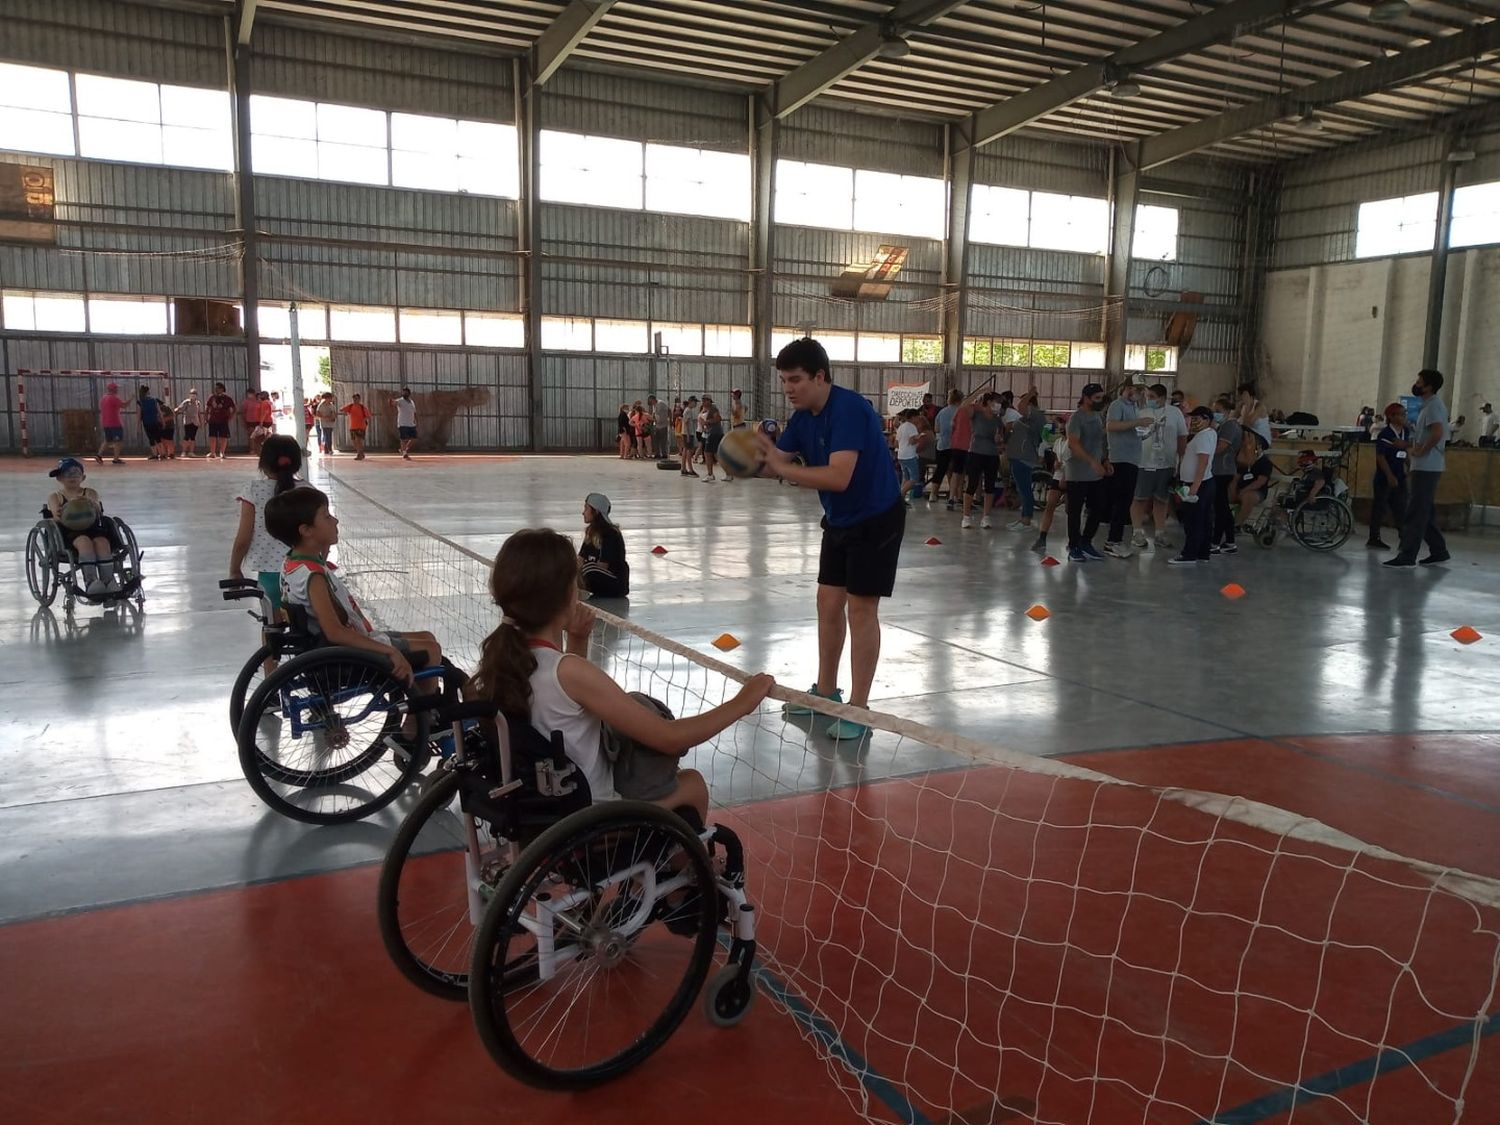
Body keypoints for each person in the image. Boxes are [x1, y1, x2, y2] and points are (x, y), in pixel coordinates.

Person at [471, 528, 773, 822]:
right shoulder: (569, 672)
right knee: (692, 783)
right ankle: (678, 870)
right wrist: (742, 703)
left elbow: (562, 705)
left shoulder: (506, 660)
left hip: (540, 813)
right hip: (593, 817)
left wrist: (577, 640)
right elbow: (669, 739)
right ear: (568, 595)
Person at [757, 337, 904, 742]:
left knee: (860, 610)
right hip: (839, 520)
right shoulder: (803, 418)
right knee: (827, 603)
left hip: (877, 519)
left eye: (796, 380)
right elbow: (778, 465)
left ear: (820, 376)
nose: (788, 389)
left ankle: (859, 708)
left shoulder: (851, 410)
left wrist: (781, 469)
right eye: (784, 381)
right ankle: (825, 691)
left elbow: (838, 476)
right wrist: (753, 457)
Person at [264, 485, 441, 683]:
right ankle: (420, 712)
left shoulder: (292, 563)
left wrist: (324, 543)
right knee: (431, 649)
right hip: (347, 651)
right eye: (327, 517)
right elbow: (334, 632)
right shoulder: (314, 578)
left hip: (330, 644)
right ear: (306, 530)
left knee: (427, 636)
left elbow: (320, 558)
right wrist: (389, 651)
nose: (335, 520)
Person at [230, 435, 302, 642]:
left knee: (272, 629)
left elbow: (243, 538)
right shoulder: (307, 491)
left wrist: (235, 569)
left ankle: (272, 674)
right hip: (303, 572)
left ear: (263, 463)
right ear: (296, 461)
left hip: (270, 575)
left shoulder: (253, 491)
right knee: (307, 625)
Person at [1385, 368, 1451, 568]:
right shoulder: (1428, 406)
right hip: (1424, 465)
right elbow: (1425, 435)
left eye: (1420, 381)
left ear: (1429, 386)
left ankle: (1407, 556)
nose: (1416, 384)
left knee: (1415, 511)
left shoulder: (1433, 407)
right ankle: (1439, 551)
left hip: (1427, 467)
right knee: (1426, 510)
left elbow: (1437, 432)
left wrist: (1422, 451)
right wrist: (1409, 446)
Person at [45, 457, 121, 595]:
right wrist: (69, 508)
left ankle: (108, 580)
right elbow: (56, 517)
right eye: (66, 474)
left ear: (83, 477)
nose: (71, 477)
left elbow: (98, 510)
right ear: (59, 478)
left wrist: (89, 503)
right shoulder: (55, 496)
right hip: (68, 531)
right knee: (84, 542)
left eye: (75, 473)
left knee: (102, 542)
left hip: (92, 528)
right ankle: (91, 581)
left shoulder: (90, 493)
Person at [1131, 382, 1188, 550]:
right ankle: (1137, 532)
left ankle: (1159, 533)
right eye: (1148, 397)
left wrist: (1181, 459)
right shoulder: (1141, 412)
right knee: (1139, 498)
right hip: (1143, 462)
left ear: (1162, 398)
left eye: (1152, 397)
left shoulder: (1175, 413)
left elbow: (1182, 436)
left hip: (1167, 463)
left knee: (1162, 499)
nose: (1149, 400)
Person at [1064, 382, 1110, 562]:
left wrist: (1105, 460)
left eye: (1101, 398)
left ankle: (1086, 542)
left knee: (1098, 507)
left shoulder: (1098, 416)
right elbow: (1073, 444)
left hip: (1096, 472)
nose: (1100, 401)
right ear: (1086, 398)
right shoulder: (1076, 418)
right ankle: (1074, 546)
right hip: (1077, 472)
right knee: (1075, 511)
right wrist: (1092, 462)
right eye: (1096, 398)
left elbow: (1100, 442)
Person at [1170, 407, 1218, 566]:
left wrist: (1195, 487)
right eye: (1193, 419)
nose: (1195, 422)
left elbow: (1202, 462)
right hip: (1204, 483)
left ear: (1207, 420)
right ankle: (1202, 552)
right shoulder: (1207, 434)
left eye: (1198, 419)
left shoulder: (1204, 437)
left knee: (1193, 521)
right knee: (1204, 520)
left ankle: (1189, 554)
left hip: (1198, 484)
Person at [1102, 381, 1143, 557]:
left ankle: (1117, 539)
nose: (1139, 394)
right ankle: (1112, 541)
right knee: (1120, 502)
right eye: (1136, 389)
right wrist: (1137, 422)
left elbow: (1131, 429)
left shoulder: (1133, 407)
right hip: (1120, 459)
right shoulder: (1117, 405)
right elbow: (1111, 426)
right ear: (1127, 389)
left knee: (1126, 501)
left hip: (1132, 459)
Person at [1368, 402, 1412, 550]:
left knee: (1401, 508)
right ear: (1391, 417)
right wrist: (1389, 475)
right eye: (1401, 414)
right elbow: (1381, 457)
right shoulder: (1385, 434)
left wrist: (1409, 465)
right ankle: (1374, 537)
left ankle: (1404, 538)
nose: (1404, 417)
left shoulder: (1405, 431)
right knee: (1380, 508)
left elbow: (1404, 451)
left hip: (1400, 476)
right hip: (1384, 477)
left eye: (1404, 414)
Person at [959, 391, 1002, 530]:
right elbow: (964, 405)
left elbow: (1000, 437)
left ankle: (986, 516)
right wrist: (980, 392)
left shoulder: (997, 419)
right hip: (976, 452)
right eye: (996, 402)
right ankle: (966, 516)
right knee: (972, 483)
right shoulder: (976, 414)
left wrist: (999, 440)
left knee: (990, 486)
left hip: (992, 454)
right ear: (989, 402)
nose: (998, 405)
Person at [1005, 386, 1045, 532]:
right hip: (1018, 456)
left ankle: (1026, 520)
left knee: (1025, 490)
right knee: (1023, 489)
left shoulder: (1034, 415)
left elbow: (1021, 406)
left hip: (1024, 457)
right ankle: (1023, 518)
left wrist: (1030, 393)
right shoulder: (1027, 417)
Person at [579, 492, 630, 599]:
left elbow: (603, 566)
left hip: (615, 583)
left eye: (586, 509)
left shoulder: (610, 534)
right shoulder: (591, 532)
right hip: (596, 575)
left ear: (596, 511)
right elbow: (579, 560)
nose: (583, 513)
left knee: (588, 569)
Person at [1031, 420, 1070, 554]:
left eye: (1064, 426)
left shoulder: (1074, 443)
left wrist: (1066, 476)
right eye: (1060, 426)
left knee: (1071, 511)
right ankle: (1042, 538)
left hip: (1071, 477)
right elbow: (1056, 460)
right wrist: (1055, 467)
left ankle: (1073, 540)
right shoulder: (1058, 443)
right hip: (1058, 476)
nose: (1061, 428)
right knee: (1049, 506)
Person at [1210, 394, 1242, 554]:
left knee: (1220, 508)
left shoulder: (1230, 426)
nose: (1215, 413)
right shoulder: (1224, 426)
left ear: (1228, 411)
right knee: (1223, 508)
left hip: (1223, 470)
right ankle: (1230, 542)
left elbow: (1221, 447)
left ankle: (1215, 542)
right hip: (1221, 469)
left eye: (1218, 410)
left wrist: (1205, 452)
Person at [945, 385, 974, 511]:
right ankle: (961, 497)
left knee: (956, 472)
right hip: (967, 446)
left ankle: (952, 498)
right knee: (965, 474)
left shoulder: (953, 412)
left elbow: (951, 426)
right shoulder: (968, 411)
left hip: (955, 444)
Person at [931, 389, 960, 506]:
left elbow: (936, 429)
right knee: (955, 471)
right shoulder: (961, 412)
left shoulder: (942, 412)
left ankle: (933, 494)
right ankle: (955, 495)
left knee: (941, 469)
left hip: (942, 445)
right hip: (957, 445)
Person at [1234, 449, 1276, 527]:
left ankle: (1238, 524)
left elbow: (1260, 482)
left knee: (1248, 497)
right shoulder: (1243, 460)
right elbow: (1236, 477)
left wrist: (1243, 490)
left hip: (1257, 491)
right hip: (1240, 488)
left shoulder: (1265, 463)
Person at [895, 409, 925, 507]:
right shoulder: (912, 427)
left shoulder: (901, 426)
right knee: (914, 478)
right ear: (913, 417)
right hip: (910, 455)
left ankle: (901, 501)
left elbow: (896, 442)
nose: (918, 419)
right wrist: (919, 437)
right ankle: (900, 495)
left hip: (901, 455)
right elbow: (912, 441)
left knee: (906, 477)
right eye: (917, 417)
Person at [96, 381, 127, 465]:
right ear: (114, 389)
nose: (117, 390)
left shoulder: (103, 398)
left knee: (107, 440)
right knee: (118, 441)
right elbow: (124, 405)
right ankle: (116, 459)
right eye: (116, 388)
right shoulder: (114, 398)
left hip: (106, 423)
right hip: (115, 423)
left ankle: (99, 455)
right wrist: (131, 398)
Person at [205, 382, 235, 461]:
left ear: (222, 389)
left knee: (224, 437)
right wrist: (206, 417)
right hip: (213, 420)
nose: (216, 389)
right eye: (215, 388)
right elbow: (207, 408)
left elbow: (233, 408)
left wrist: (231, 417)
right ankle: (212, 452)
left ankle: (222, 452)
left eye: (218, 388)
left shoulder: (227, 398)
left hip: (223, 420)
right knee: (212, 436)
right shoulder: (212, 397)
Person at [137, 385, 165, 461]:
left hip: (146, 423)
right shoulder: (154, 400)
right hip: (154, 422)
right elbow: (159, 412)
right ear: (148, 392)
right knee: (158, 438)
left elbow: (139, 415)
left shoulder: (140, 402)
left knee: (151, 439)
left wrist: (138, 426)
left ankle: (155, 454)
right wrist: (163, 421)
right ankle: (162, 454)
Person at [700, 396, 724, 482]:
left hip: (714, 433)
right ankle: (728, 473)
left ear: (709, 401)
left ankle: (710, 474)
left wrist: (707, 422)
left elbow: (718, 418)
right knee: (715, 454)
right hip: (714, 432)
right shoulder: (708, 410)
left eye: (704, 401)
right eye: (702, 401)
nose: (702, 402)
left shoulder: (713, 408)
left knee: (707, 453)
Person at [341, 393, 370, 461]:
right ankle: (360, 453)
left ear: (359, 399)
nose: (355, 400)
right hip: (353, 426)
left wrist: (363, 419)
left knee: (358, 440)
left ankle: (359, 454)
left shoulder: (362, 407)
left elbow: (368, 416)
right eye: (354, 399)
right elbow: (342, 409)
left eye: (356, 399)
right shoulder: (351, 406)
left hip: (361, 426)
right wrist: (344, 411)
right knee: (354, 441)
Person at [175, 388, 203, 458]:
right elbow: (180, 408)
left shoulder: (198, 403)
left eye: (194, 394)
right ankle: (184, 451)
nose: (193, 395)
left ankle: (191, 452)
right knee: (187, 436)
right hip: (188, 421)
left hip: (195, 422)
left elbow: (198, 413)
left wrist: (200, 422)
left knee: (193, 437)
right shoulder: (186, 402)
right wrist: (177, 410)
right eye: (192, 394)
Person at [679, 395, 700, 476]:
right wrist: (688, 435)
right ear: (690, 402)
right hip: (687, 433)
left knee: (685, 450)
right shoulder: (688, 411)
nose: (696, 404)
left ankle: (683, 468)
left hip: (686, 433)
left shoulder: (687, 410)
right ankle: (690, 469)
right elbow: (686, 423)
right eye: (695, 402)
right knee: (689, 451)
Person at [394, 387, 417, 460]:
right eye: (403, 392)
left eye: (406, 392)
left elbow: (414, 412)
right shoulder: (400, 400)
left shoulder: (412, 402)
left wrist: (416, 420)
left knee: (414, 438)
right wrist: (391, 402)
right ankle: (404, 453)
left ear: (409, 393)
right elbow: (395, 403)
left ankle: (404, 449)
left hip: (411, 423)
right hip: (402, 423)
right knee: (403, 439)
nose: (404, 393)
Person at [250, 391, 274, 457]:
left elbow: (264, 413)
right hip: (267, 421)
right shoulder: (267, 402)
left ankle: (260, 452)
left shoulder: (264, 403)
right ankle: (261, 451)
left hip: (264, 422)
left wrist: (261, 422)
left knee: (257, 438)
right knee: (263, 436)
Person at [157, 385, 177, 459]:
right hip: (162, 426)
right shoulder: (156, 409)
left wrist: (164, 420)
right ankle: (164, 453)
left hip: (169, 426)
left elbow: (172, 415)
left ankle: (171, 453)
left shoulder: (165, 408)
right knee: (162, 440)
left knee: (169, 440)